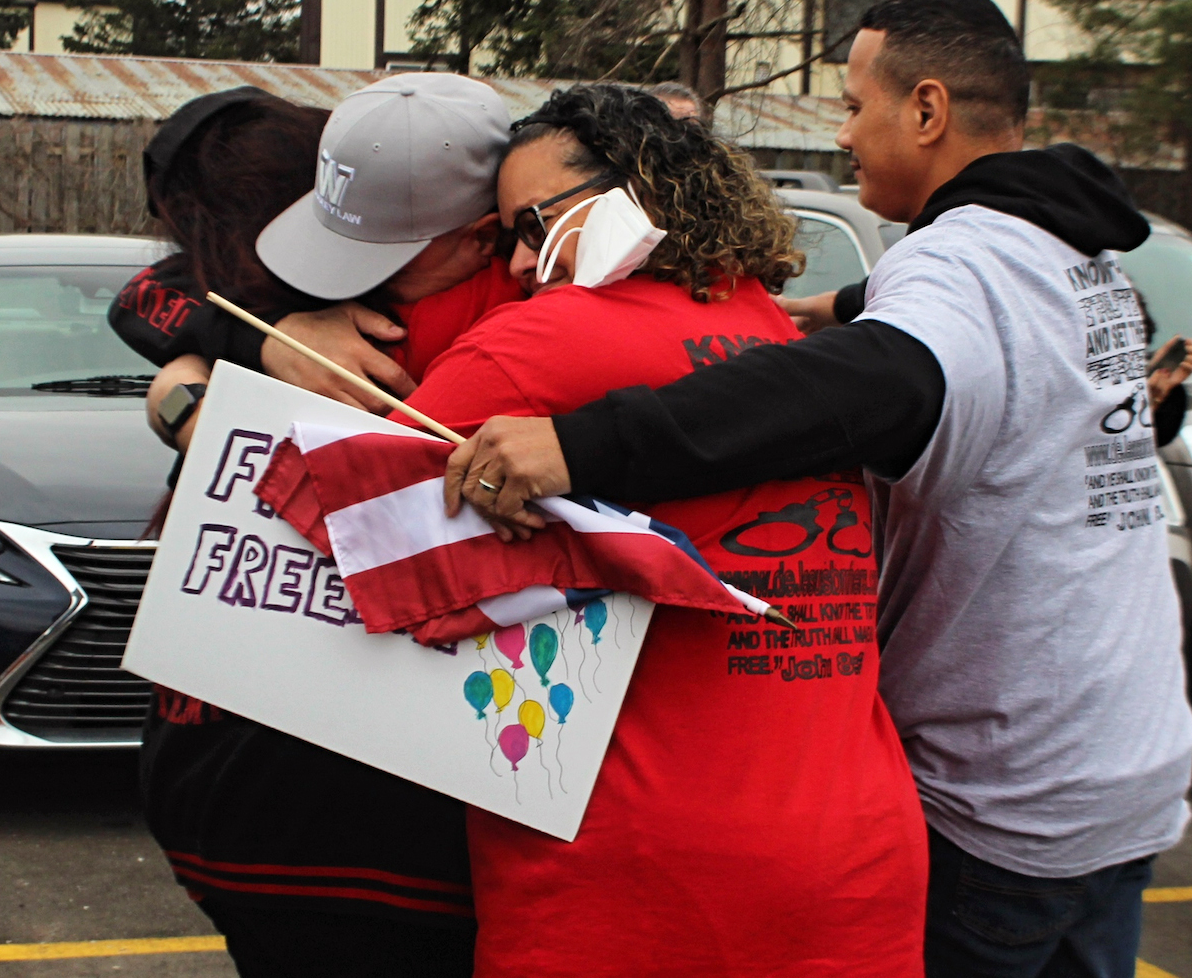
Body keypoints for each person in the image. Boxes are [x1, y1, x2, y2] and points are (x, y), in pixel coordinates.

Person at [442, 0, 1192, 978]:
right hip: (1125, 771)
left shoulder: (957, 263)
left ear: (924, 111)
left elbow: (880, 380)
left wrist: (581, 445)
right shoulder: (1080, 252)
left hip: (999, 793)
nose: (841, 132)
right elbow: (1045, 389)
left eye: (851, 104)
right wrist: (833, 303)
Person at [388, 84, 928, 977]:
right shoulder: (770, 328)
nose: (520, 264)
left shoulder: (538, 339)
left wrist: (203, 375)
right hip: (857, 860)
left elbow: (339, 519)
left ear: (627, 193)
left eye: (534, 226)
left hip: (637, 876)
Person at [124, 74, 519, 978]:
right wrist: (253, 347)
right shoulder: (284, 316)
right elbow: (148, 294)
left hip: (306, 808)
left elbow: (151, 298)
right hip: (334, 812)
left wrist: (202, 382)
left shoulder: (512, 315)